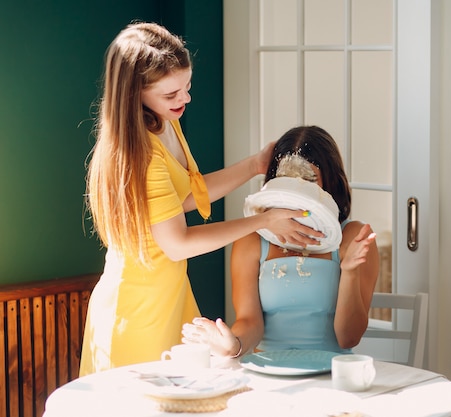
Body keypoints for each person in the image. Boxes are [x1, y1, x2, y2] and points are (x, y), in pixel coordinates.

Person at [79, 22, 322, 375]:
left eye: (187, 87)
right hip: (137, 307)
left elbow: (185, 197)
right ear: (136, 93)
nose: (185, 99)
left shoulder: (163, 120)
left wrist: (254, 165)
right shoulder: (142, 156)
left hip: (170, 291)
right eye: (171, 94)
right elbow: (176, 244)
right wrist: (263, 220)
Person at [182, 126, 380, 357]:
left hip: (331, 373)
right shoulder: (252, 240)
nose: (295, 190)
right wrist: (233, 345)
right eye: (286, 179)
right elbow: (249, 321)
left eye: (308, 180)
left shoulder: (353, 237)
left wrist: (349, 272)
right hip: (269, 372)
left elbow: (349, 337)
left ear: (330, 181)